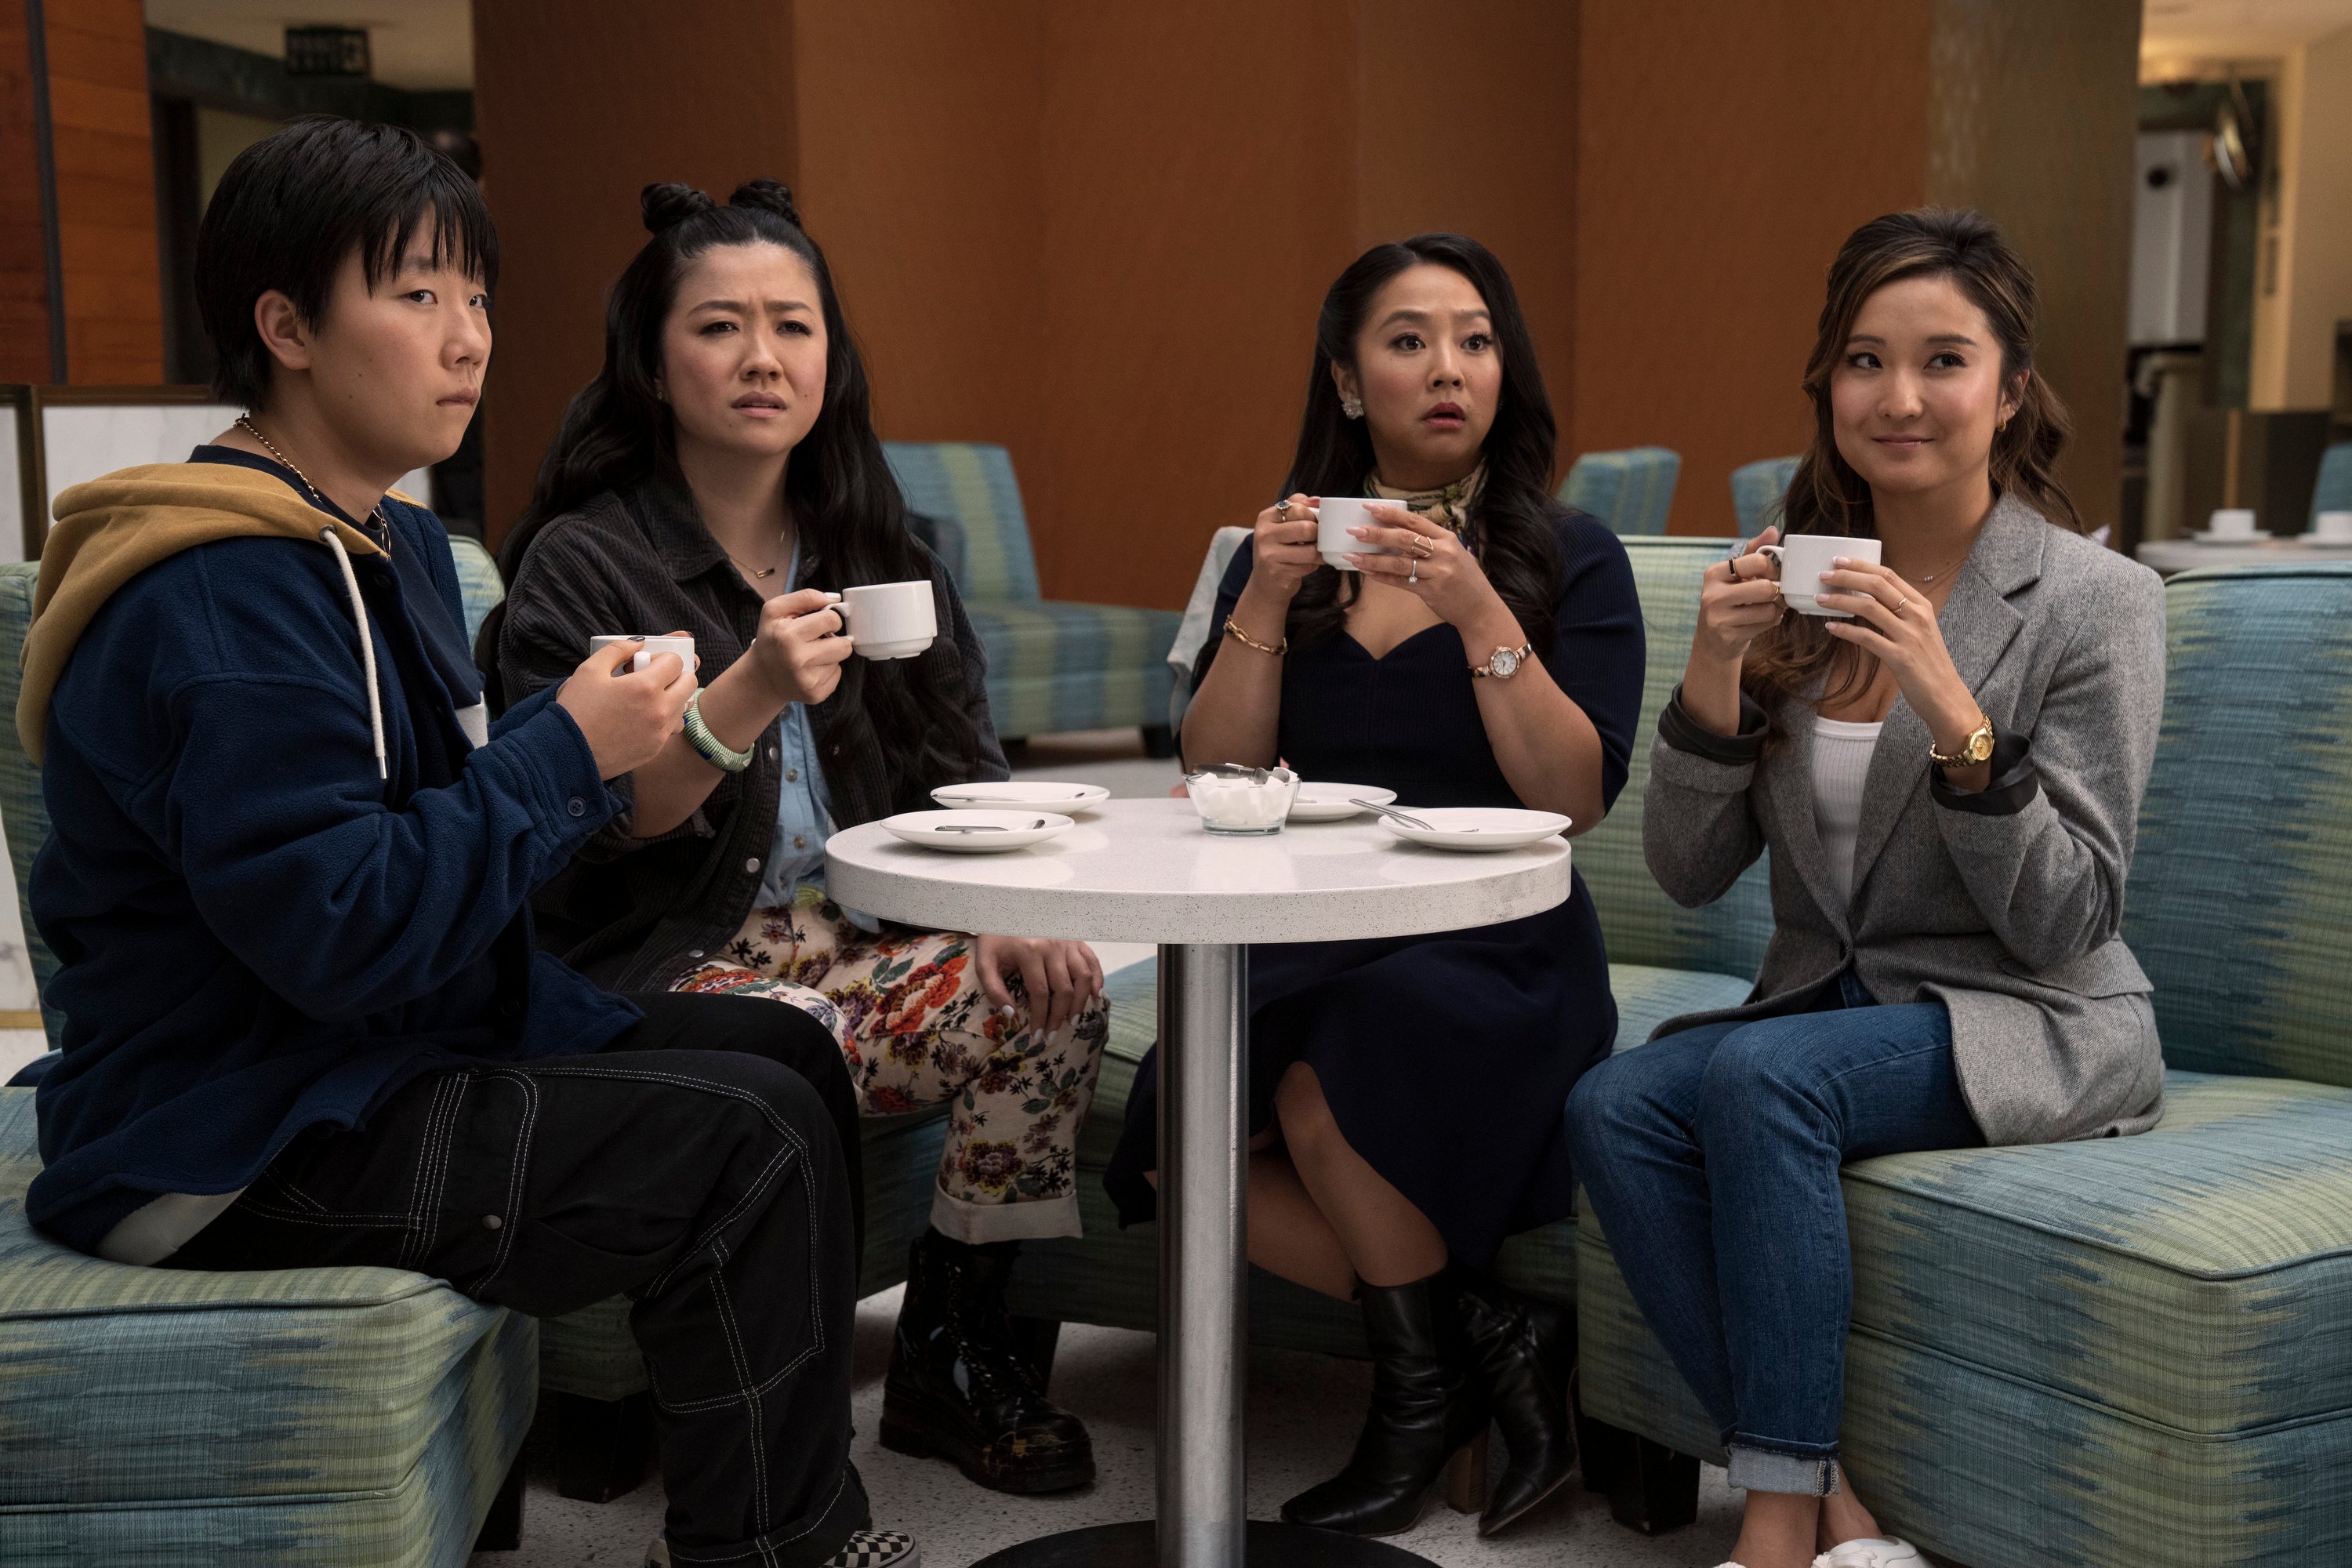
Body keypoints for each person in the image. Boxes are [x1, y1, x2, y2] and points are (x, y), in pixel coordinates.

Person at [20, 118, 914, 1568]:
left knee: (789, 1050)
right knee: (740, 1142)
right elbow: (343, 929)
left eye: (478, 298)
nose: (471, 340)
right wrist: (563, 751)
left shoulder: (397, 546)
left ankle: (786, 1506)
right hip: (228, 1132)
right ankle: (773, 1547)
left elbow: (448, 848)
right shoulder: (224, 591)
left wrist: (609, 755)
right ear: (287, 327)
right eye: (419, 295)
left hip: (374, 1052)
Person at [488, 181, 1110, 1497]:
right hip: (669, 958)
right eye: (721, 327)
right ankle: (775, 1411)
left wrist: (1003, 903)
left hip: (859, 937)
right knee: (801, 1040)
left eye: (795, 326)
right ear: (653, 363)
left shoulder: (886, 552)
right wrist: (750, 687)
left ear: (834, 355)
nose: (764, 358)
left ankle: (952, 1345)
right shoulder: (585, 568)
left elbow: (970, 771)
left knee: (1054, 987)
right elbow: (568, 839)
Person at [1566, 209, 2167, 1568]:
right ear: (1826, 389)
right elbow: (1686, 867)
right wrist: (1713, 678)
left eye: (1944, 361)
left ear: (2009, 391)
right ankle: (1829, 1493)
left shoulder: (2094, 604)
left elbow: (2069, 916)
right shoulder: (1792, 580)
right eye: (1863, 361)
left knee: (1758, 1080)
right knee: (1612, 1103)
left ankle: (1775, 1524)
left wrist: (1952, 709)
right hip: (1841, 1004)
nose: (1899, 398)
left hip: (2032, 1015)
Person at [1106, 233, 1646, 1539]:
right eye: (1408, 342)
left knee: (1318, 1076)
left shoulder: (1571, 556)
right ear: (1349, 383)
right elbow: (1220, 766)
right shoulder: (1280, 556)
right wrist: (1264, 598)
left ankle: (1415, 1404)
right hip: (1318, 928)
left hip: (1498, 945)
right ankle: (1491, 1342)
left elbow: (1571, 799)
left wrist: (1479, 616)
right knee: (1184, 1144)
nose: (1447, 369)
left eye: (1474, 340)